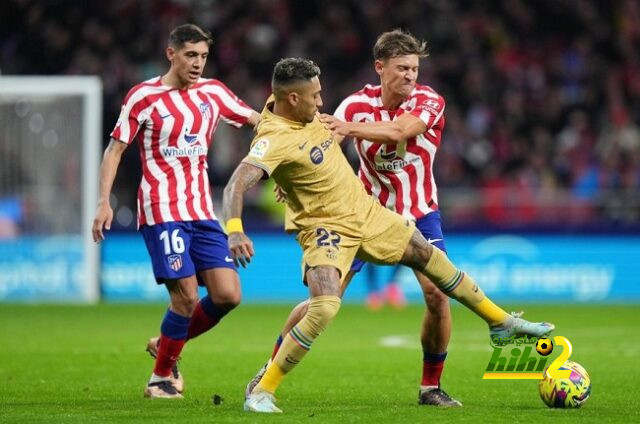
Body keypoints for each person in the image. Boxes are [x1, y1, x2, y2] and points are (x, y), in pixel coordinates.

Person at [222, 57, 553, 414]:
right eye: (315, 97)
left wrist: (290, 179)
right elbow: (236, 184)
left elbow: (322, 151)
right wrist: (236, 230)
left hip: (367, 212)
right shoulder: (274, 137)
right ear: (292, 100)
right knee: (324, 307)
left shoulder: (308, 113)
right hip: (326, 228)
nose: (321, 104)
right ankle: (263, 390)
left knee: (433, 262)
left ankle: (501, 324)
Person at [246, 29, 462, 407]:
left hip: (420, 211)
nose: (411, 75)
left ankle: (430, 387)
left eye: (414, 68)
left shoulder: (429, 100)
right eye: (402, 68)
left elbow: (401, 130)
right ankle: (268, 370)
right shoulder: (352, 106)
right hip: (358, 213)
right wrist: (289, 179)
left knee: (436, 294)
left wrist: (349, 128)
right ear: (380, 67)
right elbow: (312, 147)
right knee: (323, 300)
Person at [91, 23, 260, 399]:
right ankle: (161, 377)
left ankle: (165, 341)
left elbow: (260, 123)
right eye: (190, 55)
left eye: (203, 56)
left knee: (228, 295)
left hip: (201, 211)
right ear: (171, 54)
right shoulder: (143, 96)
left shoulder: (213, 93)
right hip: (161, 209)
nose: (198, 63)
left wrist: (280, 164)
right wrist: (103, 201)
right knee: (183, 297)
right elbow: (115, 149)